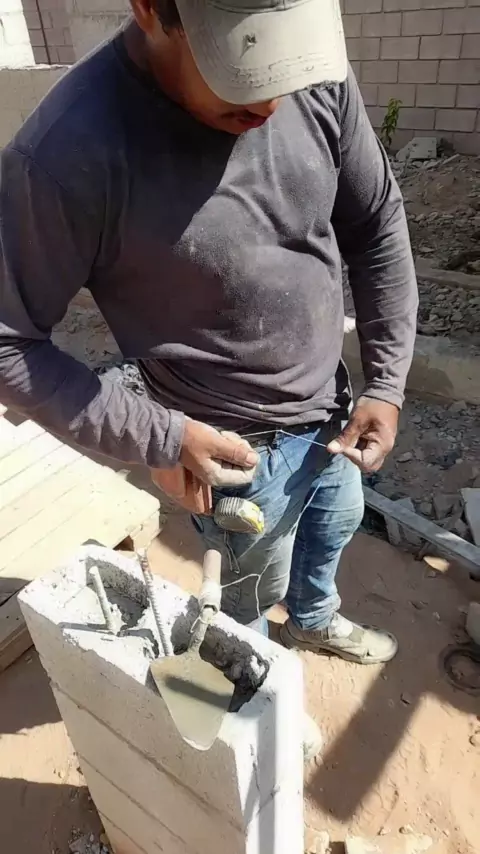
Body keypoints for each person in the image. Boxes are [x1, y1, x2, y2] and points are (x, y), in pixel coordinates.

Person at [0, 0, 418, 666]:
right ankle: (254, 686)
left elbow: (375, 223)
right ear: (149, 8)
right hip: (233, 456)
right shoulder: (65, 156)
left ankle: (312, 618)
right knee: (248, 598)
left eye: (285, 66)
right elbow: (9, 343)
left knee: (333, 527)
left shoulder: (311, 71)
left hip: (333, 414)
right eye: (245, 65)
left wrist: (386, 382)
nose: (274, 102)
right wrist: (157, 436)